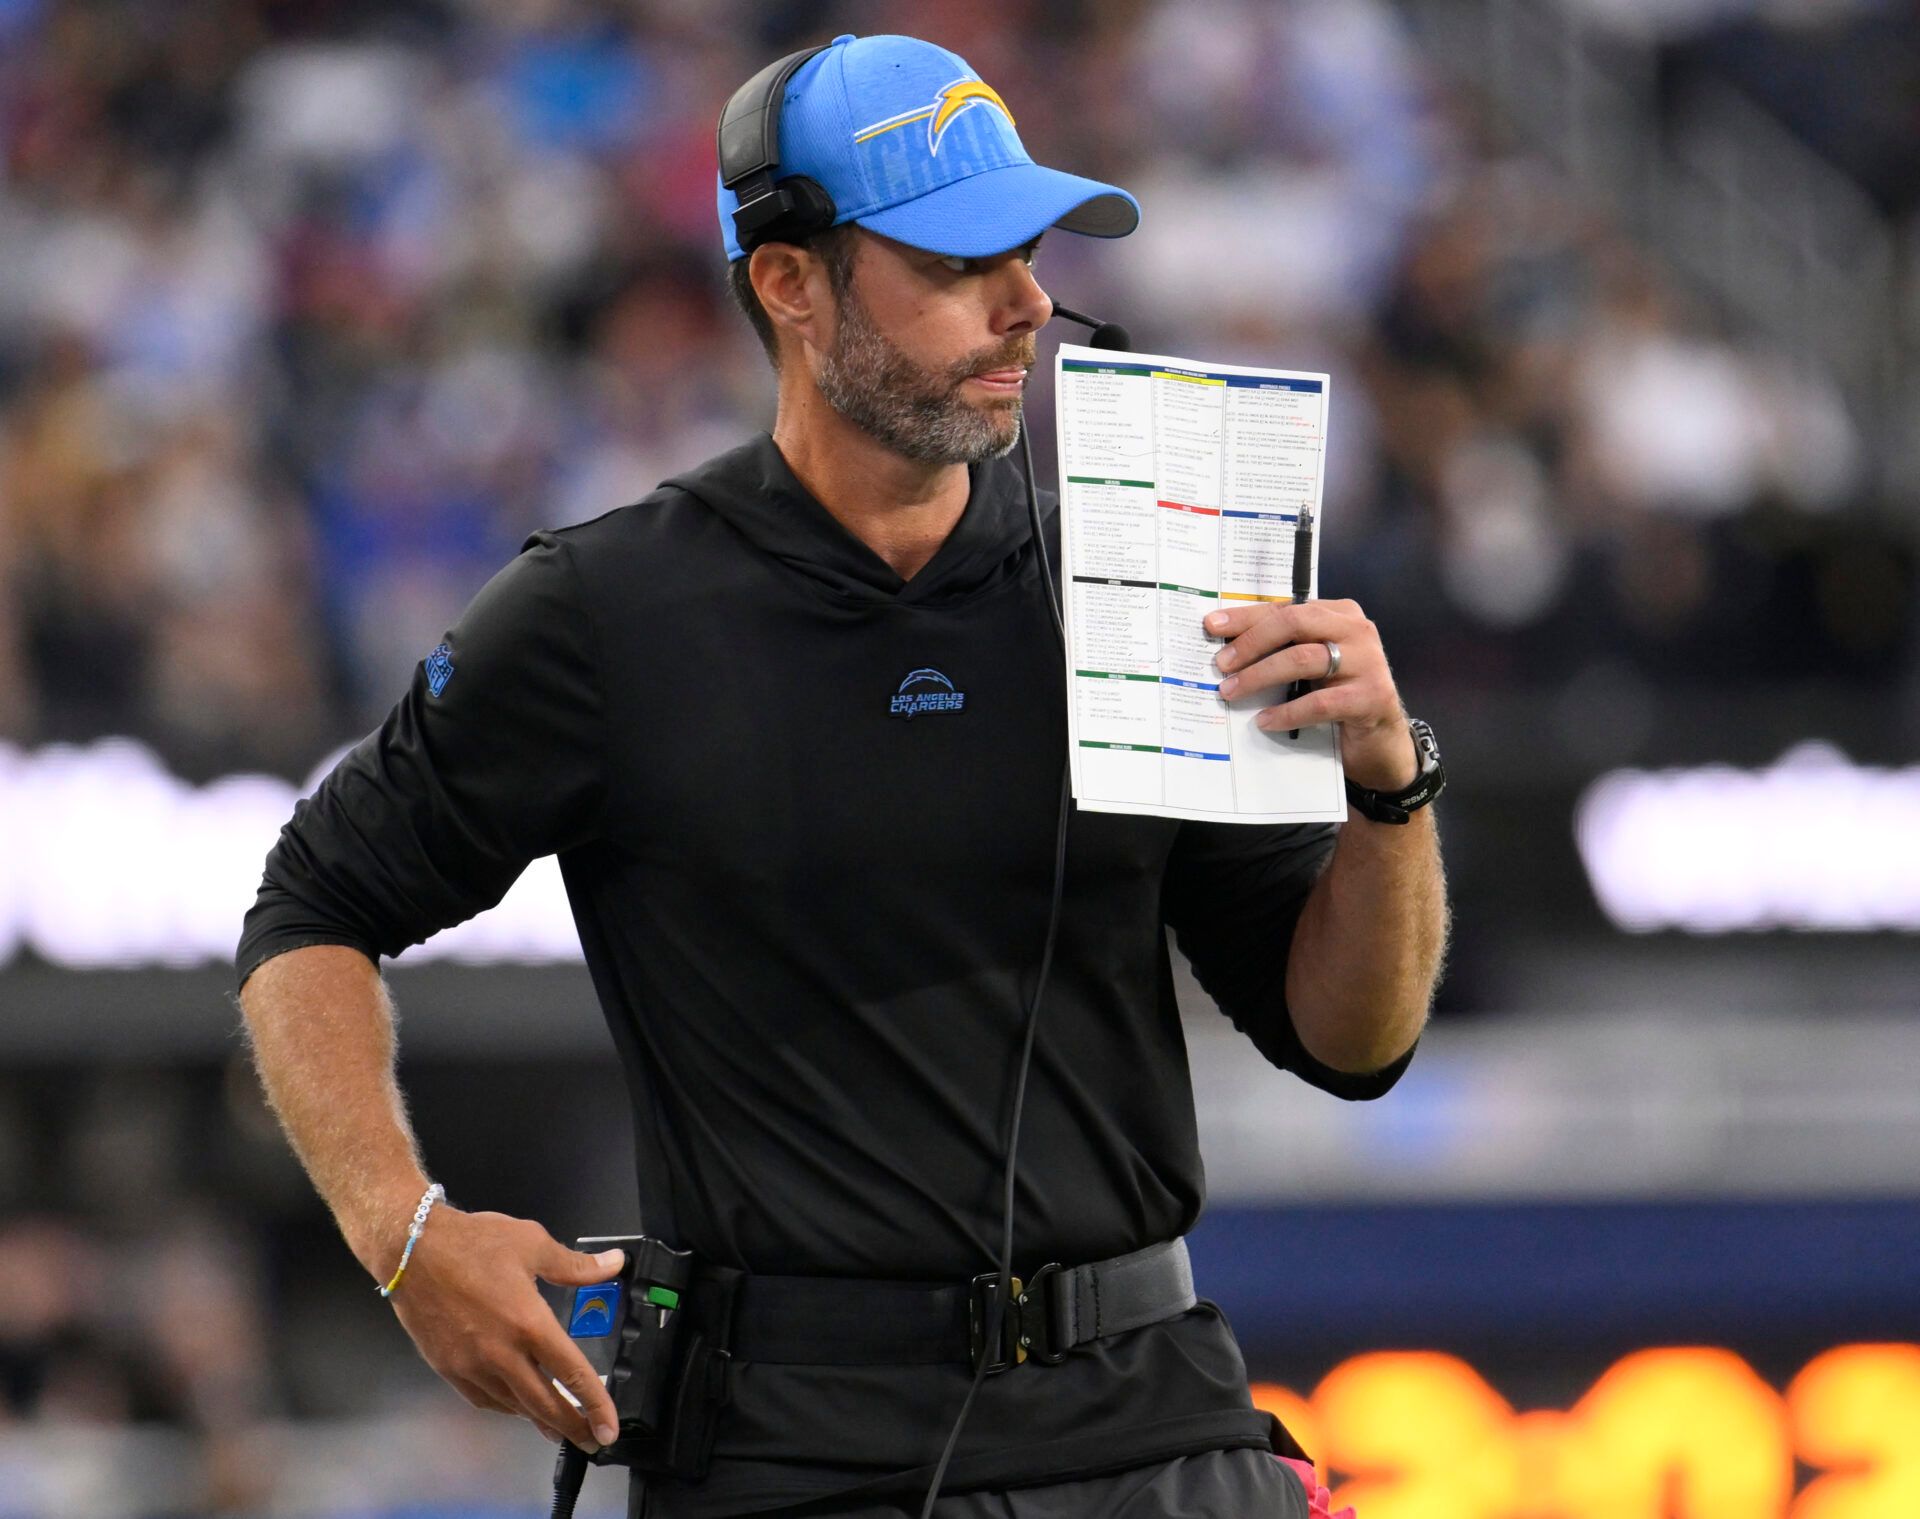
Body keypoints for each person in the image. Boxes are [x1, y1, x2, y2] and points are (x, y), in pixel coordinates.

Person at [235, 32, 1446, 1519]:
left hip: (1157, 1433)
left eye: (1030, 251)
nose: (1026, 306)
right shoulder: (603, 617)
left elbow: (1351, 1040)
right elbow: (308, 909)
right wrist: (404, 1234)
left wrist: (1391, 790)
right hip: (797, 1463)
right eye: (954, 262)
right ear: (788, 283)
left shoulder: (1148, 580)